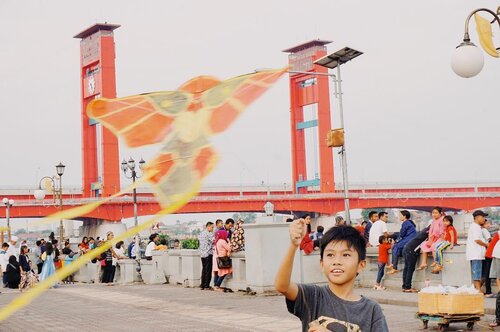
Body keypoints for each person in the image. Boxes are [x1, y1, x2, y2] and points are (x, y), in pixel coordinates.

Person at [275, 222, 388, 331]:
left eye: (346, 255)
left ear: (361, 265)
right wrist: (293, 245)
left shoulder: (371, 310)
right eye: (330, 255)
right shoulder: (313, 296)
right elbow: (282, 286)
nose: (337, 261)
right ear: (322, 264)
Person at [402, 226, 430, 293]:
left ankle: (404, 287)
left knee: (406, 268)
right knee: (410, 269)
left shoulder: (424, 230)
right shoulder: (428, 232)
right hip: (411, 250)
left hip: (406, 248)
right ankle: (408, 287)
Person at [387, 210, 416, 274]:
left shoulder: (405, 223)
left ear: (404, 216)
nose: (399, 217)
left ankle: (394, 267)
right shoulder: (409, 222)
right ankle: (393, 264)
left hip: (409, 239)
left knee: (396, 246)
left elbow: (402, 234)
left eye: (400, 215)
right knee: (395, 246)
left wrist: (396, 239)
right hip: (410, 239)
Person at [466, 210, 488, 292]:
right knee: (477, 274)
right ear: (477, 217)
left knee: (483, 274)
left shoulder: (477, 227)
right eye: (483, 217)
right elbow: (477, 240)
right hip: (475, 254)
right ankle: (478, 290)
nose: (484, 219)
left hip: (479, 254)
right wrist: (487, 245)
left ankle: (476, 289)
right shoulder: (475, 227)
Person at [198, 222, 214, 290]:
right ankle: (207, 285)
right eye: (212, 227)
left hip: (202, 254)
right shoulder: (209, 234)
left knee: (204, 269)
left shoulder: (201, 233)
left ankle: (202, 285)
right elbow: (214, 241)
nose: (213, 229)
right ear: (208, 226)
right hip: (208, 253)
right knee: (208, 270)